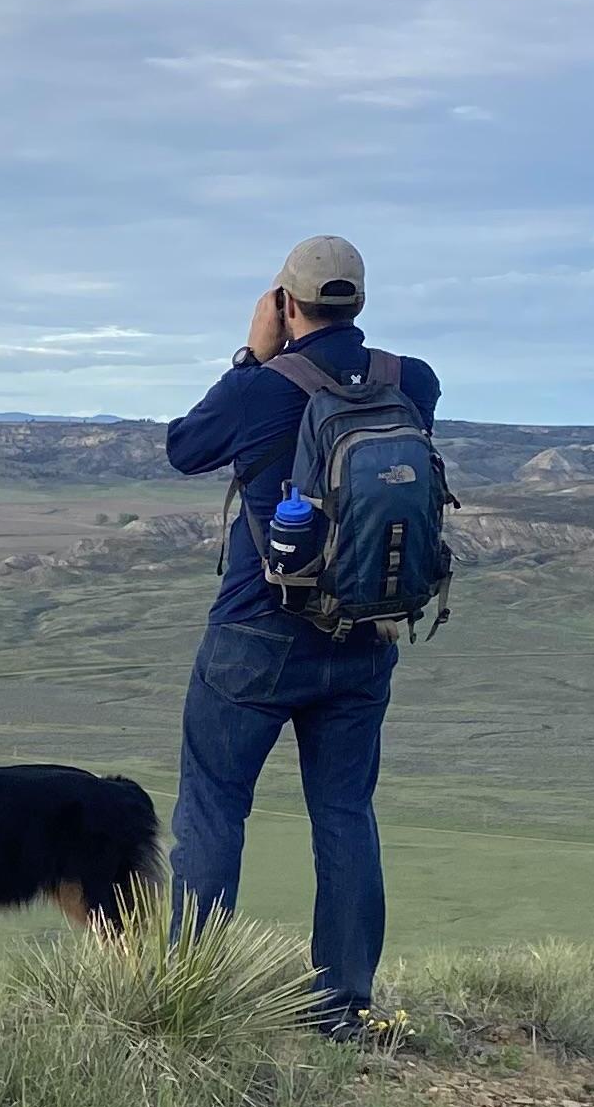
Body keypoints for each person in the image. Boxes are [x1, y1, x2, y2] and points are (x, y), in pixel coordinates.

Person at [159, 233, 442, 1040]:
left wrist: (252, 357)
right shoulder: (411, 380)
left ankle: (190, 1002)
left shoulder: (262, 387)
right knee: (345, 814)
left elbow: (185, 448)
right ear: (359, 298)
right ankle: (343, 1008)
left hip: (256, 634)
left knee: (213, 815)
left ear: (287, 303)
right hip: (364, 634)